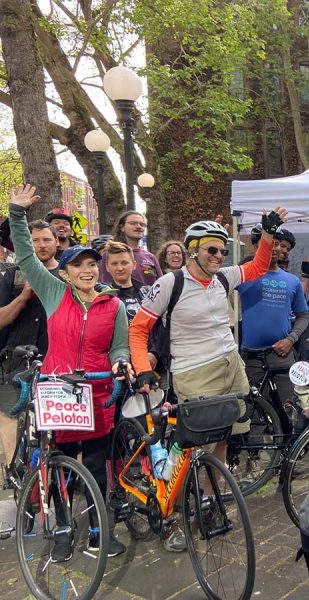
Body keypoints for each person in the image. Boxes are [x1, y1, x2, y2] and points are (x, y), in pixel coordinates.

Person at [9, 184, 131, 559]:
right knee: (59, 467)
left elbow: (120, 346)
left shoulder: (113, 305)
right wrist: (16, 214)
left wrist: (119, 363)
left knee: (95, 467)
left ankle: (97, 531)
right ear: (65, 271)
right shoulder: (53, 292)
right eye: (79, 264)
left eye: (93, 264)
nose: (88, 270)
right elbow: (28, 258)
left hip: (96, 392)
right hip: (58, 393)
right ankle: (62, 529)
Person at [129, 208, 287, 474]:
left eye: (223, 251)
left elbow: (259, 266)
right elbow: (138, 329)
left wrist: (268, 235)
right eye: (212, 250)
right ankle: (179, 497)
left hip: (230, 364)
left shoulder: (223, 278)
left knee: (225, 433)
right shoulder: (171, 283)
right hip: (194, 370)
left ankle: (211, 497)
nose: (218, 257)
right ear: (192, 250)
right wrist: (143, 368)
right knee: (199, 443)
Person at [0, 219, 60, 477]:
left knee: (55, 424)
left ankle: (54, 474)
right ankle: (16, 474)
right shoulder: (12, 275)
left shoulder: (68, 274)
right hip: (16, 360)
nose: (41, 245)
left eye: (47, 239)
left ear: (57, 242)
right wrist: (23, 297)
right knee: (10, 417)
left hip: (56, 359)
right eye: (34, 240)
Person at [238, 226, 309, 432]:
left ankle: (289, 456)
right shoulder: (245, 274)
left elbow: (303, 316)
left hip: (282, 354)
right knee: (254, 414)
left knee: (290, 411)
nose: (276, 248)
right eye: (272, 242)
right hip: (252, 356)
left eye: (280, 245)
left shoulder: (292, 281)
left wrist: (291, 339)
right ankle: (257, 460)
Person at [100, 211, 162, 286]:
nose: (139, 226)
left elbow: (161, 286)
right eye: (133, 223)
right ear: (122, 227)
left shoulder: (150, 257)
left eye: (142, 224)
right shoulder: (109, 254)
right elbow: (105, 285)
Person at [104, 241, 150, 323]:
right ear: (107, 267)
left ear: (134, 265)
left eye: (124, 263)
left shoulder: (148, 292)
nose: (120, 268)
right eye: (114, 264)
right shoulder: (104, 296)